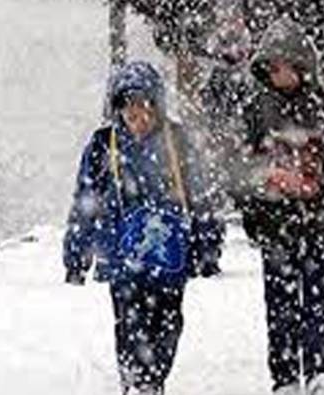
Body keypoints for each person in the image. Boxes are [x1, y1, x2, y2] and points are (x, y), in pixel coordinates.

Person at [62, 61, 223, 395]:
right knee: (129, 321)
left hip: (170, 256)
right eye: (130, 114)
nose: (138, 122)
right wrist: (76, 254)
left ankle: (153, 378)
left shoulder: (177, 141)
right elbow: (85, 201)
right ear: (118, 111)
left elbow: (201, 196)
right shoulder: (103, 145)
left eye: (145, 112)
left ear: (157, 108)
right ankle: (138, 381)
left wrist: (208, 246)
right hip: (121, 257)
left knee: (168, 323)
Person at [233, 18, 324, 395]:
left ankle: (322, 371)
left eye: (287, 66)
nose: (280, 75)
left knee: (318, 300)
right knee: (280, 304)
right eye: (273, 68)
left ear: (302, 66)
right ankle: (285, 377)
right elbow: (242, 165)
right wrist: (256, 206)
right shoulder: (256, 110)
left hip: (318, 222)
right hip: (275, 223)